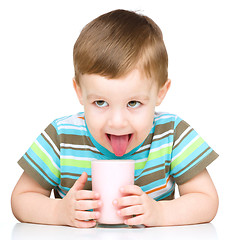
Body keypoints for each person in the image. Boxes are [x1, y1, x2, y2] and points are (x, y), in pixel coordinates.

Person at [11, 9, 219, 228]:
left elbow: (206, 200)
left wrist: (160, 213)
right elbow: (21, 199)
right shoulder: (62, 136)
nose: (117, 122)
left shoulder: (171, 133)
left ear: (160, 93)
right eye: (100, 103)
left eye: (133, 103)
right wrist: (58, 212)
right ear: (79, 91)